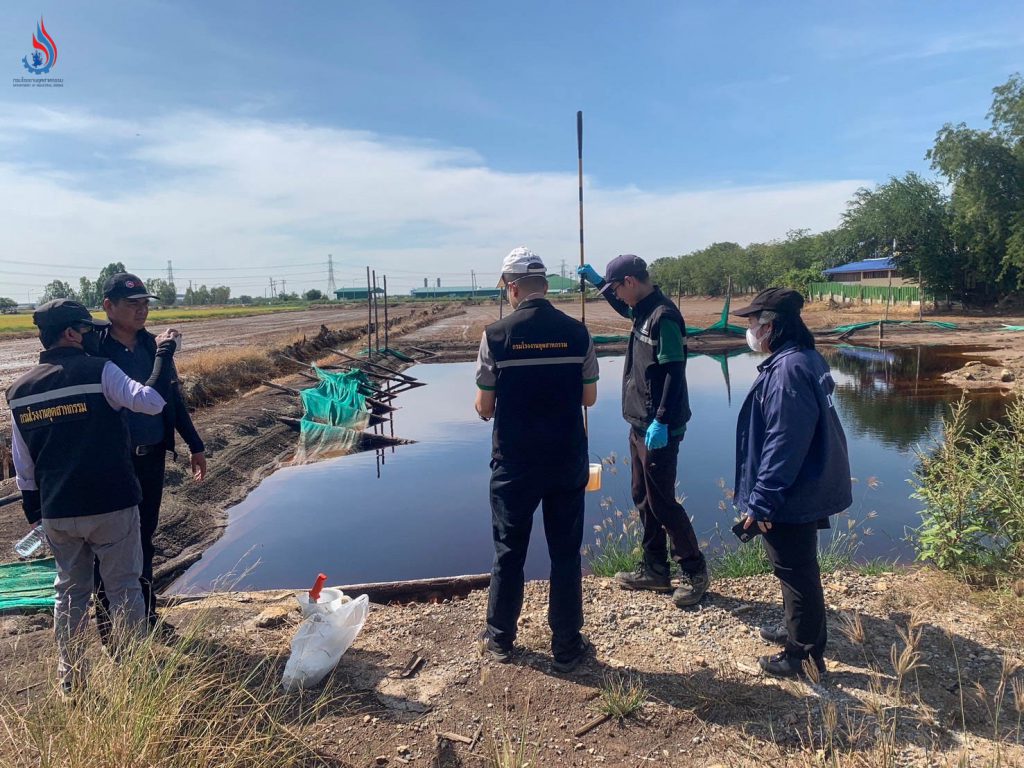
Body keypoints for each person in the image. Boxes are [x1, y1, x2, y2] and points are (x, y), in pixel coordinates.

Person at [6, 299, 179, 692]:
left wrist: (36, 513)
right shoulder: (100, 370)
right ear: (70, 333)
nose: (91, 337)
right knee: (124, 590)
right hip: (111, 504)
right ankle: (137, 677)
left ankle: (72, 684)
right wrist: (164, 356)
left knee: (69, 596)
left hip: (57, 511)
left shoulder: (19, 390)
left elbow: (23, 464)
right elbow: (149, 403)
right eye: (86, 330)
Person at [475, 247, 599, 673]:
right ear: (544, 285)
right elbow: (589, 397)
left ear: (512, 288)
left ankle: (500, 639)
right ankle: (566, 645)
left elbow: (485, 407)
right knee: (565, 553)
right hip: (566, 459)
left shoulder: (495, 335)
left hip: (515, 463)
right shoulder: (578, 332)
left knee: (509, 550)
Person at [732, 288, 852, 678]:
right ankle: (796, 628)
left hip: (792, 492)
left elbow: (785, 442)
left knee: (796, 571)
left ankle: (803, 656)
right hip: (802, 485)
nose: (750, 330)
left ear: (772, 326)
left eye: (753, 322)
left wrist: (762, 501)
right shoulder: (803, 359)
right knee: (795, 567)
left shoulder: (787, 371)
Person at [578, 256, 709, 607]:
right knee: (642, 495)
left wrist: (662, 420)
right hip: (640, 422)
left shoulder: (663, 317)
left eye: (618, 287)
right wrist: (597, 284)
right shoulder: (642, 309)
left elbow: (673, 373)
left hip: (659, 424)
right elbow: (622, 308)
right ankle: (654, 570)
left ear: (632, 281)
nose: (618, 296)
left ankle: (695, 571)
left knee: (662, 502)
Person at [93, 272, 207, 639]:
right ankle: (108, 623)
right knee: (107, 542)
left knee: (145, 536)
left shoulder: (154, 347)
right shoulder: (94, 350)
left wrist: (195, 444)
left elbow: (172, 397)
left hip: (151, 456)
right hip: (112, 460)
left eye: (145, 303)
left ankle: (147, 614)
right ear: (108, 307)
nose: (142, 310)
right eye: (133, 304)